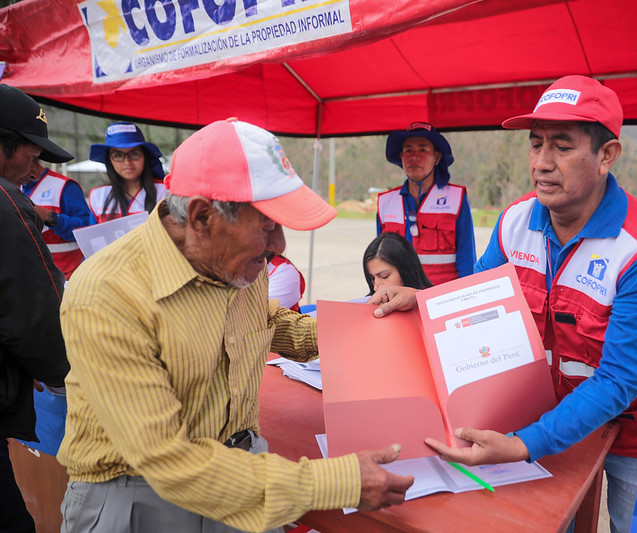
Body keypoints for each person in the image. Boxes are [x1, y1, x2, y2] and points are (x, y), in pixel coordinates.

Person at [58, 118, 413, 533]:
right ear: (202, 216)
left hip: (244, 467)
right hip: (138, 496)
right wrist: (336, 482)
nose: (280, 245)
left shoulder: (237, 259)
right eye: (268, 227)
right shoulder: (108, 292)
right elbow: (168, 461)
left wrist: (369, 322)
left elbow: (265, 319)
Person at [368, 76, 637, 533]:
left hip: (631, 430)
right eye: (535, 145)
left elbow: (618, 379)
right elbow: (474, 297)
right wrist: (423, 298)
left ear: (607, 155)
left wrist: (522, 445)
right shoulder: (515, 220)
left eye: (562, 147)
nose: (543, 163)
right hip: (544, 418)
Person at [0, 84, 72, 533]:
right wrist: (70, 378)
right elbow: (33, 315)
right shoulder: (7, 203)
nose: (36, 166)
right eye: (31, 152)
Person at [377, 121, 476, 285]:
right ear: (401, 157)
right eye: (408, 150)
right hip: (398, 298)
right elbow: (379, 259)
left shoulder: (456, 198)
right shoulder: (385, 201)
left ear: (437, 158)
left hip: (441, 298)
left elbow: (466, 257)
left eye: (423, 149)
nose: (414, 156)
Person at [22, 159, 92, 280]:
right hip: (28, 276)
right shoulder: (10, 186)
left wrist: (50, 217)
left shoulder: (64, 186)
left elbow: (85, 230)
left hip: (65, 277)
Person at [88, 121, 167, 222]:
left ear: (145, 157)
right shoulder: (99, 196)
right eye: (118, 155)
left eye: (134, 154)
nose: (127, 162)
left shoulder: (164, 192)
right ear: (109, 160)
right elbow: (93, 235)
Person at [363, 231, 433, 295]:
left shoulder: (433, 303)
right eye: (372, 278)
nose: (375, 287)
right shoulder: (366, 303)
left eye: (384, 276)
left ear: (406, 270)